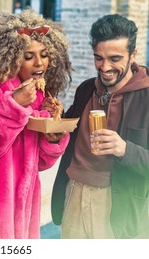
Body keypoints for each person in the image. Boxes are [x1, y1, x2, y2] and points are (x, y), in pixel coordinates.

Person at [0, 9, 72, 239]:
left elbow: (39, 163)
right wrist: (14, 108)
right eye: (29, 56)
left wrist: (53, 135)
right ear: (9, 57)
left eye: (44, 55)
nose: (39, 63)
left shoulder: (38, 96)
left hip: (26, 211)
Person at [51, 14, 149, 239]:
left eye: (115, 58)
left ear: (133, 55)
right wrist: (56, 119)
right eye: (99, 58)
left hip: (119, 206)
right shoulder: (86, 89)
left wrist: (125, 149)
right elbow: (68, 133)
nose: (105, 67)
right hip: (73, 193)